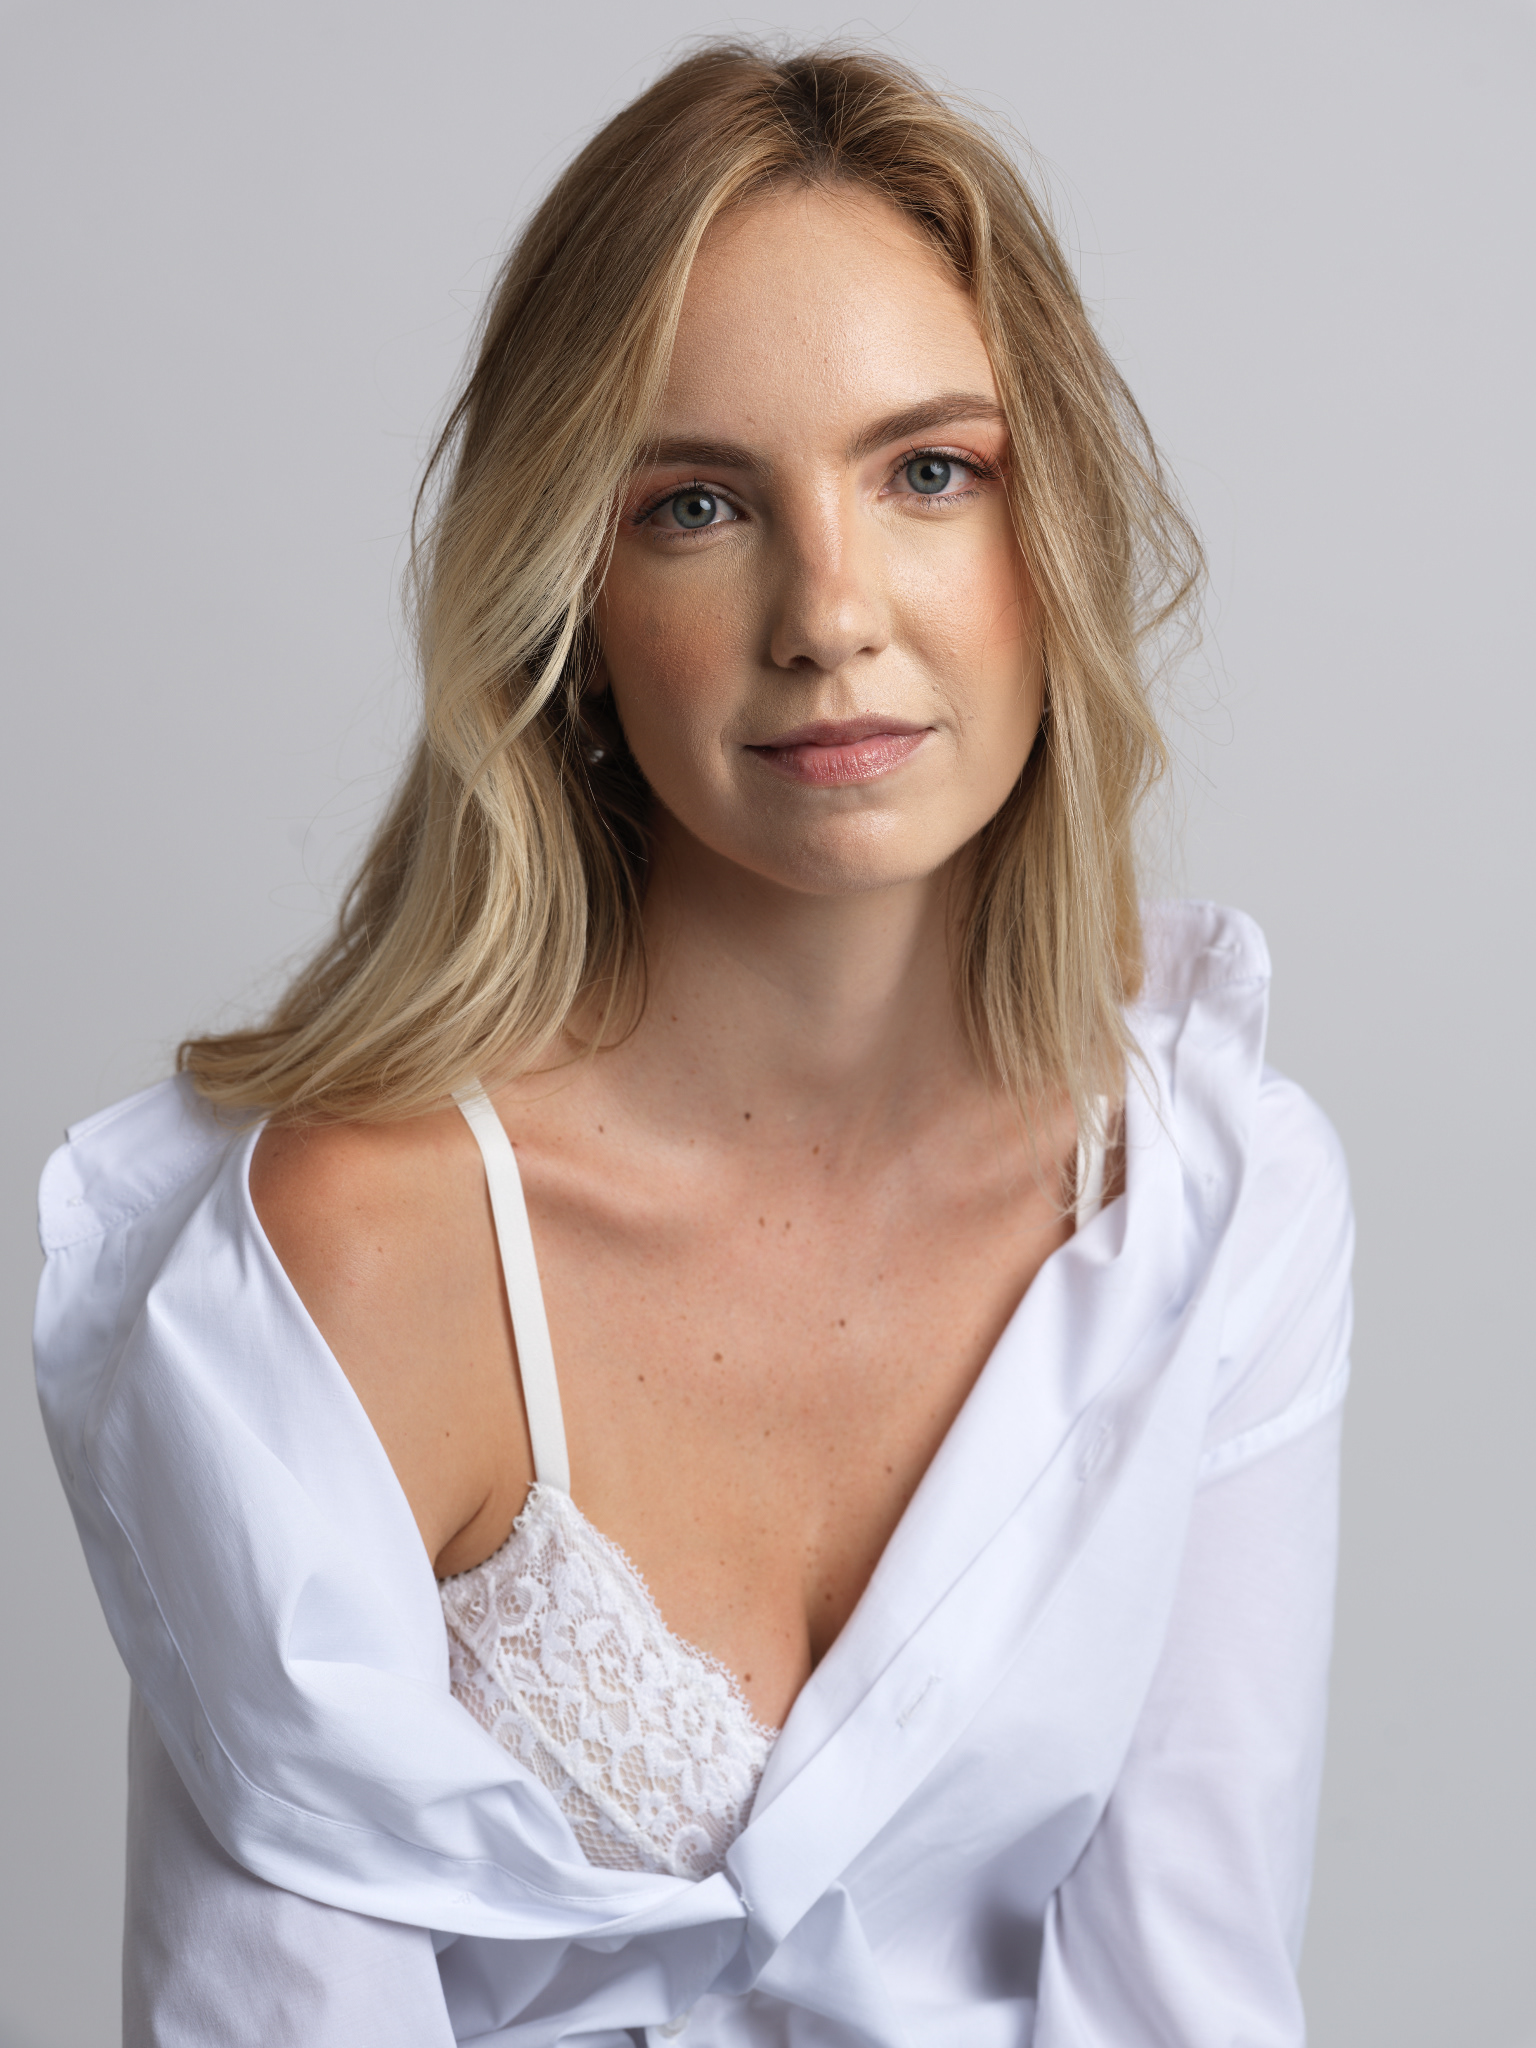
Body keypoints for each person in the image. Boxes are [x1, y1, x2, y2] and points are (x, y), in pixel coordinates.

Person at [34, 40, 1352, 2048]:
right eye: (700, 505)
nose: (830, 612)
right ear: (572, 592)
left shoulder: (1214, 1204)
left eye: (930, 472)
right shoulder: (356, 1257)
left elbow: (1190, 1991)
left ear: (1055, 532)